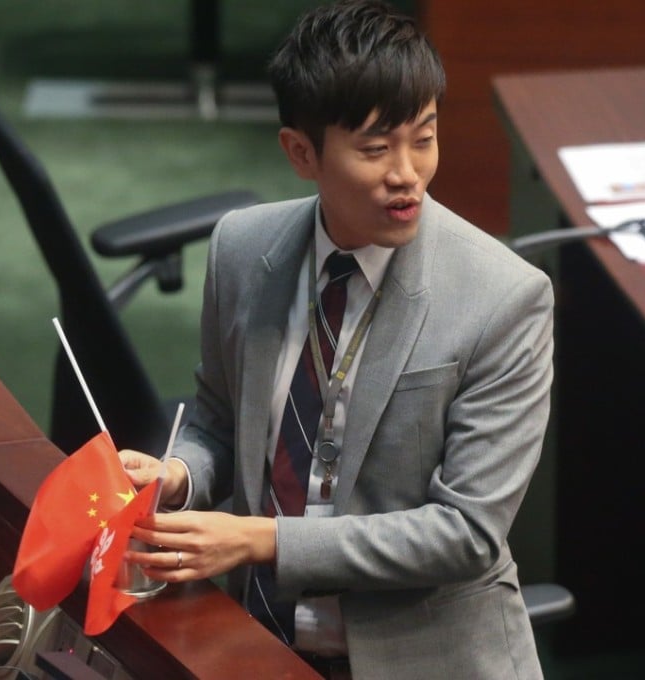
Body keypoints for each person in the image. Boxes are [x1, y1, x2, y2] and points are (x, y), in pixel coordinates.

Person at [120, 1, 553, 677]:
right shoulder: (242, 248)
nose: (407, 172)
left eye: (424, 138)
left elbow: (466, 534)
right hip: (256, 645)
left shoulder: (503, 297)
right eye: (376, 149)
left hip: (423, 658)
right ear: (302, 152)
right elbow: (215, 420)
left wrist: (261, 540)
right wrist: (177, 476)